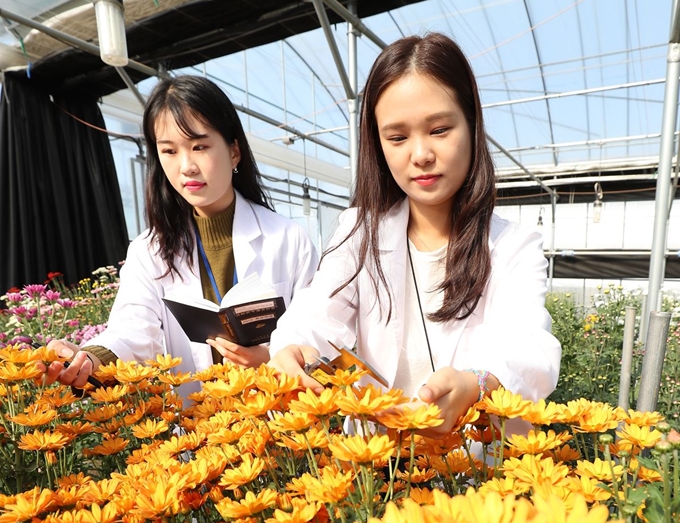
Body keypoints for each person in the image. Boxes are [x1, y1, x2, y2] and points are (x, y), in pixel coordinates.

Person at [268, 33, 561, 432]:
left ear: (472, 125)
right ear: (378, 144)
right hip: (381, 468)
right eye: (398, 137)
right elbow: (317, 311)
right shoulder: (360, 232)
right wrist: (291, 347)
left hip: (473, 471)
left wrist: (478, 383)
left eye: (439, 129)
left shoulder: (513, 247)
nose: (420, 154)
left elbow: (528, 346)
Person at [41, 75, 319, 391]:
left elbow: (315, 325)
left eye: (199, 146)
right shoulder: (150, 250)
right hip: (195, 425)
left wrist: (271, 355)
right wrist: (90, 357)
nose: (186, 166)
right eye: (169, 151)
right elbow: (134, 329)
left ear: (234, 152)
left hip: (280, 422)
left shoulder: (288, 239)